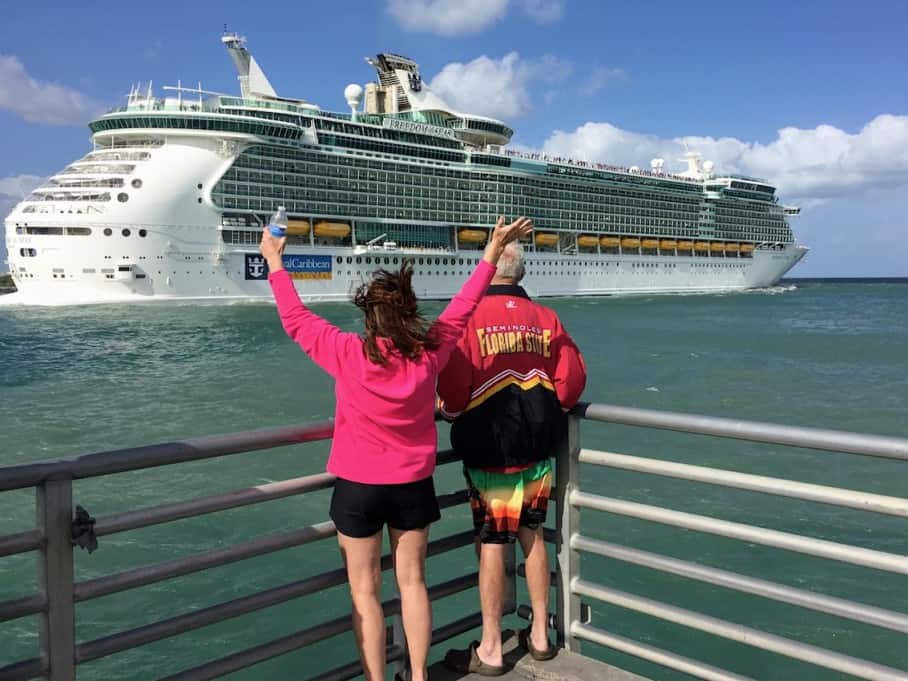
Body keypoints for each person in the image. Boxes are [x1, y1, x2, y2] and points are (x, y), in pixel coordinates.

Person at [259, 216, 533, 681]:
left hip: (357, 489)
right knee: (413, 584)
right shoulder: (429, 354)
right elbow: (463, 308)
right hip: (412, 488)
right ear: (409, 314)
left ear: (370, 318)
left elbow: (295, 318)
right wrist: (490, 254)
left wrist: (274, 263)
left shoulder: (346, 352)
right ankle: (420, 676)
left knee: (364, 593)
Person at [437, 242, 587, 676]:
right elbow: (572, 382)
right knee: (533, 535)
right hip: (539, 447)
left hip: (490, 451)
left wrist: (449, 410)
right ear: (522, 274)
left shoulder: (469, 320)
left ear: (486, 270)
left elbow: (452, 394)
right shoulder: (547, 318)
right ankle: (540, 635)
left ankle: (490, 646)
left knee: (492, 542)